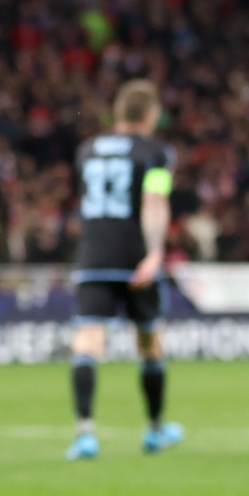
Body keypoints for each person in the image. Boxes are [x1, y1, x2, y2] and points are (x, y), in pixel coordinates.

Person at [65, 80, 183, 460]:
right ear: (151, 114)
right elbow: (153, 201)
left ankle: (85, 433)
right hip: (134, 257)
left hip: (93, 256)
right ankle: (155, 430)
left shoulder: (87, 151)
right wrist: (155, 253)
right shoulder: (156, 153)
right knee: (149, 342)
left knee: (87, 341)